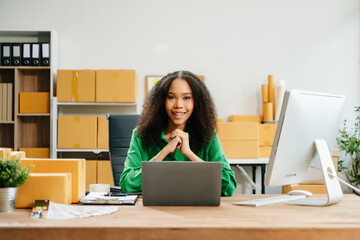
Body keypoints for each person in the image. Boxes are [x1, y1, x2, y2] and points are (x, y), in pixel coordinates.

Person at [119, 70, 237, 196]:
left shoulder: (208, 135)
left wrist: (189, 154)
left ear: (196, 102)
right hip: (152, 211)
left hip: (198, 211)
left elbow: (228, 186)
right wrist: (164, 152)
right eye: (171, 97)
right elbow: (127, 184)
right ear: (161, 101)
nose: (179, 105)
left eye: (186, 98)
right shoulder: (140, 135)